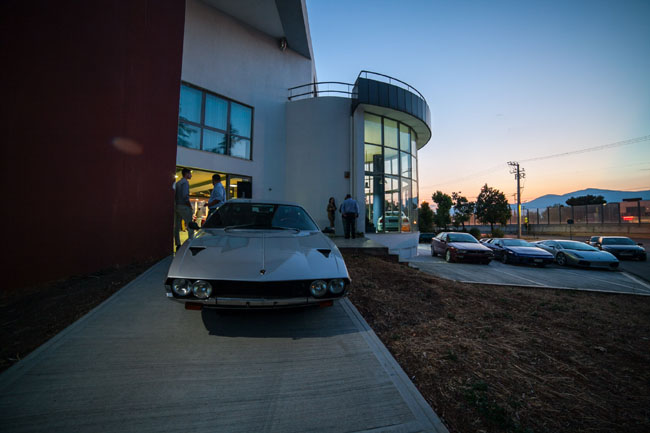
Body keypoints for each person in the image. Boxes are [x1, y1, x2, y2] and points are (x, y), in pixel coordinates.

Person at [174, 168, 194, 251]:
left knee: (177, 226)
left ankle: (178, 244)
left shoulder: (178, 183)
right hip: (184, 206)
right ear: (186, 174)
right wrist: (190, 206)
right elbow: (185, 196)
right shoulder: (185, 182)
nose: (191, 175)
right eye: (190, 174)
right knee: (190, 225)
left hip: (177, 206)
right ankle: (191, 243)